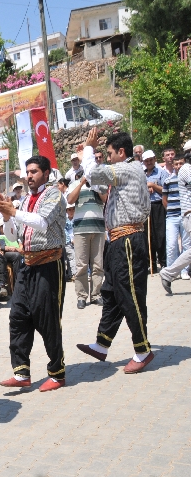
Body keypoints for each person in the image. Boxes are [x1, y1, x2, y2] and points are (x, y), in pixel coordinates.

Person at [75, 128, 154, 373]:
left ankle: (142, 350)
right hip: (119, 240)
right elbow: (99, 183)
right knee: (111, 293)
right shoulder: (128, 170)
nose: (107, 158)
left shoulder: (128, 168)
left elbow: (94, 173)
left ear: (122, 152)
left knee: (129, 294)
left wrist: (89, 149)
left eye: (109, 154)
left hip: (128, 240)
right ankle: (102, 343)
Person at [0, 155, 68, 392]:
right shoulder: (24, 200)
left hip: (48, 264)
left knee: (48, 319)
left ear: (46, 173)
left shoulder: (54, 195)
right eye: (28, 172)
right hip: (27, 264)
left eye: (34, 171)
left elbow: (42, 222)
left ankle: (57, 372)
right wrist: (7, 216)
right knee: (18, 316)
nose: (30, 176)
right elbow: (14, 236)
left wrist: (13, 212)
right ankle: (21, 371)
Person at [67, 157, 108, 308]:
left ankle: (96, 294)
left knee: (98, 264)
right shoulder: (74, 184)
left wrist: (96, 185)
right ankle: (82, 296)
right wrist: (82, 182)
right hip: (81, 230)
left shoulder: (100, 184)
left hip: (98, 228)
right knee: (82, 265)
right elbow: (70, 200)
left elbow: (104, 199)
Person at [161, 142, 191, 292]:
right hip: (186, 215)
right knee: (180, 246)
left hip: (187, 214)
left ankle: (169, 273)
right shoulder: (186, 169)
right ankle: (169, 272)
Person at [143, 150, 168, 269]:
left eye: (150, 160)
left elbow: (165, 190)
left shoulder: (162, 173)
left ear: (155, 159)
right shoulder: (142, 175)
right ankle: (150, 264)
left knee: (161, 235)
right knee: (148, 236)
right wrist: (146, 189)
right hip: (146, 206)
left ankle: (163, 262)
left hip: (158, 205)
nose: (149, 162)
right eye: (146, 161)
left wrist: (153, 186)